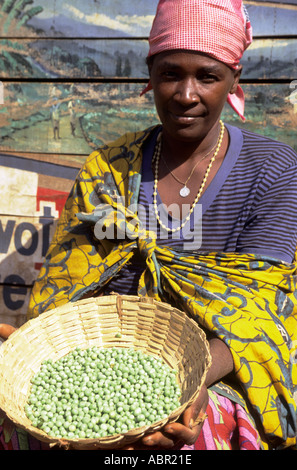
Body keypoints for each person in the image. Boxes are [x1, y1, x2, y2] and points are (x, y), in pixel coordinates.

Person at [1, 0, 297, 451]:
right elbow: (74, 293)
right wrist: (44, 347)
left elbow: (258, 312)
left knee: (191, 435)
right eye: (170, 73)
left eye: (208, 76)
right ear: (150, 75)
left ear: (235, 78)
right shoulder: (109, 168)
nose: (185, 94)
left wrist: (188, 384)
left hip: (222, 369)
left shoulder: (273, 172)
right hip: (112, 360)